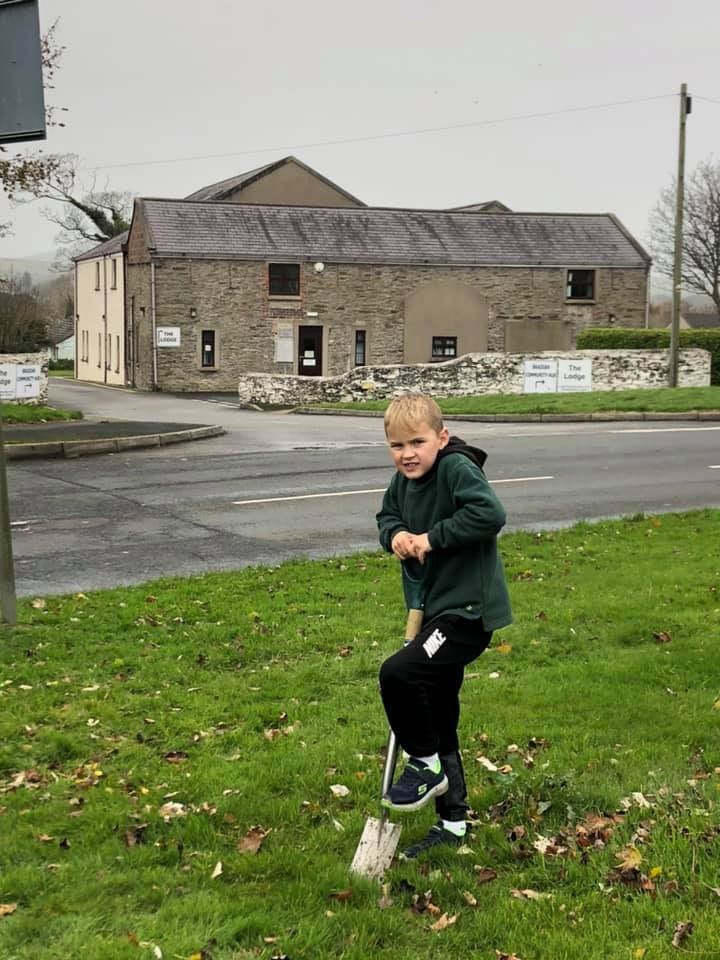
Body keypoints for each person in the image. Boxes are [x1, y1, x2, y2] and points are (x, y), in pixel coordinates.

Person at [376, 392, 512, 859]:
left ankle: (426, 766)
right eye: (397, 446)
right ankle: (452, 826)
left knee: (399, 673)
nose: (407, 454)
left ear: (442, 437)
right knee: (438, 714)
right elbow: (387, 515)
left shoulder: (456, 469)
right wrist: (394, 535)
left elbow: (489, 515)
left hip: (467, 613)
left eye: (417, 442)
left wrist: (430, 539)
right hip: (433, 611)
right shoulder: (402, 481)